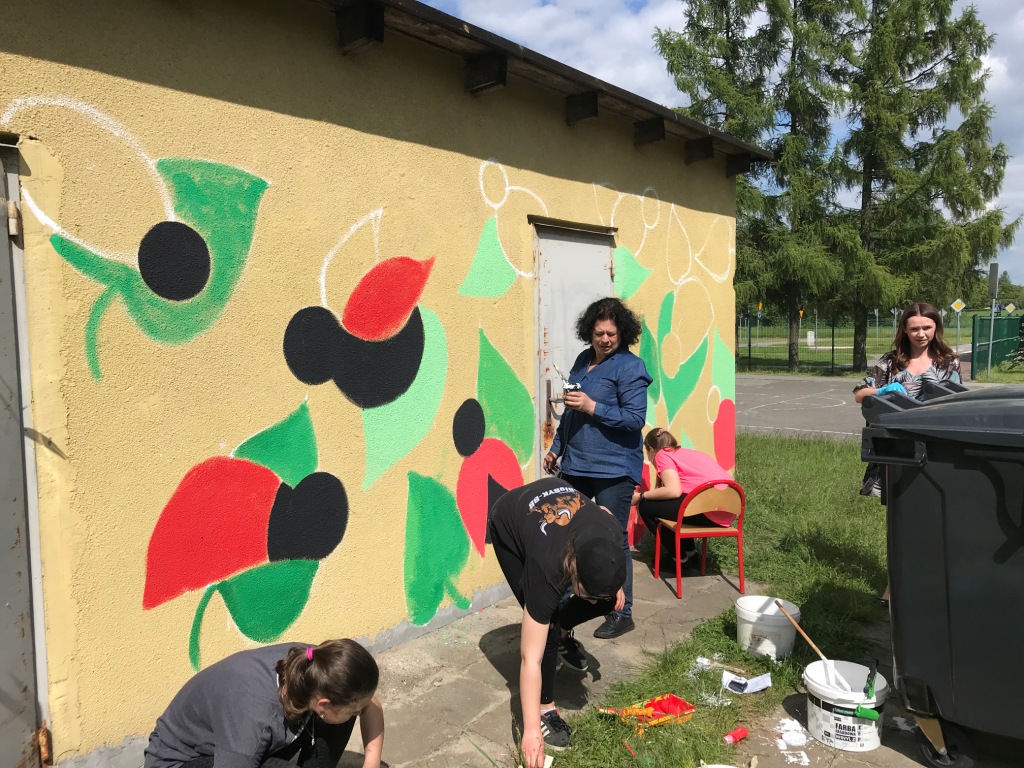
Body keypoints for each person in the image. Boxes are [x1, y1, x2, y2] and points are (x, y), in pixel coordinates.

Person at [488, 477, 627, 766]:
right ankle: (546, 708)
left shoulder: (611, 531)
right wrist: (529, 731)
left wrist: (615, 584)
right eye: (584, 593)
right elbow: (530, 660)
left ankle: (563, 635)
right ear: (573, 569)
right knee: (546, 628)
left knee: (610, 600)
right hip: (508, 519)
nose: (588, 602)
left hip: (557, 504)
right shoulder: (547, 566)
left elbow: (606, 512)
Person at [542, 297, 651, 640]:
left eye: (611, 333)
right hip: (577, 463)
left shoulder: (630, 368)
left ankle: (623, 611)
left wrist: (594, 406)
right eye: (599, 332)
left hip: (614, 469)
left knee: (613, 539)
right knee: (564, 533)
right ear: (589, 332)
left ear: (623, 333)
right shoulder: (582, 361)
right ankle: (563, 604)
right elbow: (572, 410)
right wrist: (556, 448)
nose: (605, 339)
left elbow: (635, 420)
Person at [144, 639, 384, 768]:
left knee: (342, 718)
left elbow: (369, 703)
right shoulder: (254, 720)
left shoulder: (317, 665)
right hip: (184, 760)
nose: (360, 712)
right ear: (323, 704)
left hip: (237, 741)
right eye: (356, 709)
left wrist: (371, 762)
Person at [853, 302, 962, 498]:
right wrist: (881, 391)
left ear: (936, 326)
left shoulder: (948, 363)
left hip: (936, 445)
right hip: (895, 446)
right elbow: (859, 395)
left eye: (927, 327)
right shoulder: (890, 361)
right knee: (897, 508)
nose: (921, 334)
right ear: (904, 329)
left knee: (931, 499)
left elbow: (957, 402)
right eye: (914, 329)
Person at [631, 428, 736, 565]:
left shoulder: (662, 455)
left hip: (709, 512)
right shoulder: (686, 453)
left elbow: (674, 490)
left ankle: (679, 558)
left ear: (650, 449)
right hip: (727, 512)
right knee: (680, 507)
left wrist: (641, 496)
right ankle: (690, 554)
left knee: (646, 506)